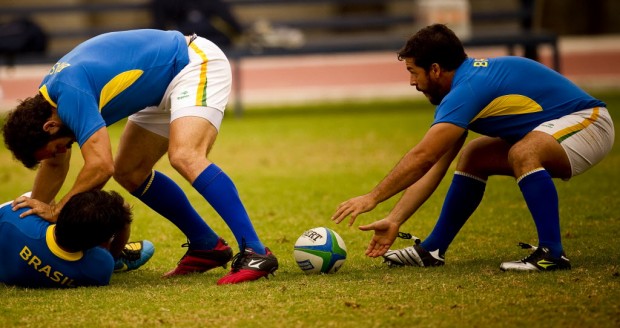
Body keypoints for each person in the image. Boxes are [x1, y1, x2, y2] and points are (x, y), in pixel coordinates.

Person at [2, 29, 278, 284]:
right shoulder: (50, 101)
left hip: (193, 62)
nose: (63, 153)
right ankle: (206, 245)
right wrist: (34, 212)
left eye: (58, 148)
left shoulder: (69, 95)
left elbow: (100, 166)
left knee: (185, 155)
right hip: (161, 85)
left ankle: (256, 252)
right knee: (130, 171)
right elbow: (54, 164)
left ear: (49, 128)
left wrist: (57, 210)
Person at [331, 24, 615, 272]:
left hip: (589, 123)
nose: (411, 82)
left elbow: (422, 157)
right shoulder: (465, 87)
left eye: (413, 72)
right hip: (564, 127)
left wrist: (373, 197)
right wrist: (394, 219)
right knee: (474, 156)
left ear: (435, 69)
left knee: (524, 152)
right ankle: (433, 250)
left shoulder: (468, 90)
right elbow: (435, 163)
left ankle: (552, 254)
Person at [0, 190, 152, 288]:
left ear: (62, 211)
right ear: (103, 243)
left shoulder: (13, 217)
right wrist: (123, 221)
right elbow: (106, 255)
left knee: (41, 194)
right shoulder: (100, 267)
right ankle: (119, 256)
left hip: (10, 257)